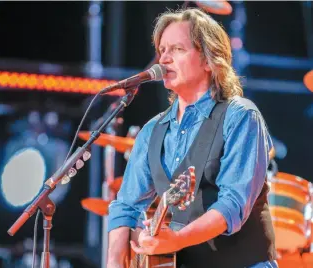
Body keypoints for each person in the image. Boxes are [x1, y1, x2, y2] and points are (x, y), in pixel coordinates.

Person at [107, 8, 277, 268]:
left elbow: (232, 204)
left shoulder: (240, 116)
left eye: (176, 49)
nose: (164, 59)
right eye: (161, 50)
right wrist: (114, 263)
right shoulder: (153, 131)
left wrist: (176, 240)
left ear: (209, 60)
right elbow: (126, 207)